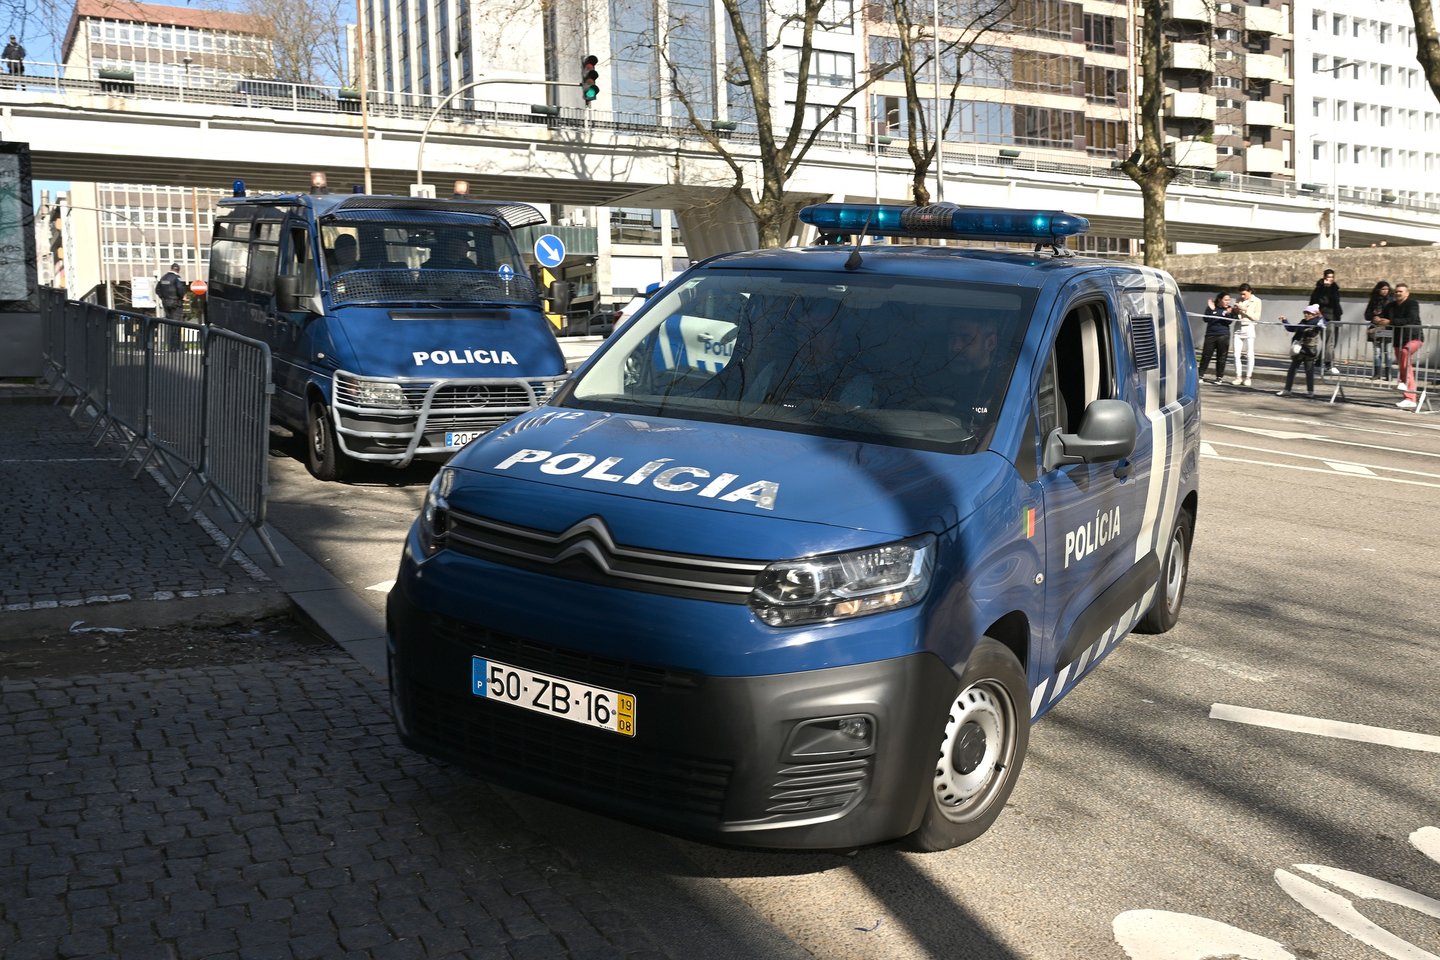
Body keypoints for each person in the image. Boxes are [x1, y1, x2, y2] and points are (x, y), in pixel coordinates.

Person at [1383, 282, 1424, 410]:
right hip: (1397, 340)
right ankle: (1409, 398)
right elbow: (1381, 317)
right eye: (1396, 291)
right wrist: (1377, 319)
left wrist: (1390, 321)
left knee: (1406, 353)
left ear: (1407, 293)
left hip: (1414, 338)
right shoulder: (1391, 306)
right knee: (1406, 367)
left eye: (1401, 291)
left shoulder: (1412, 304)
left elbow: (1410, 319)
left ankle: (1402, 383)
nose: (1398, 293)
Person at [1276, 304, 1325, 398]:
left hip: (1309, 350)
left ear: (1314, 314)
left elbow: (1324, 324)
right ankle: (1287, 390)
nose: (1306, 315)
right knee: (1293, 370)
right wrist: (1284, 320)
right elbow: (1292, 328)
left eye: (1308, 313)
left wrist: (1320, 317)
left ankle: (1310, 392)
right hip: (1300, 349)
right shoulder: (1304, 322)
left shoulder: (1317, 322)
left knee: (1309, 371)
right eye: (1305, 313)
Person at [1198, 290, 1238, 384]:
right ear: (1220, 299)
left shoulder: (1229, 309)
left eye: (1229, 300)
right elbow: (1206, 319)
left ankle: (1219, 377)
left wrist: (1227, 314)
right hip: (1211, 335)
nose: (1228, 302)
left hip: (1223, 335)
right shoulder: (1212, 307)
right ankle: (1200, 375)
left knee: (1221, 357)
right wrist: (1212, 310)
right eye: (1226, 300)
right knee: (1206, 356)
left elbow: (1229, 321)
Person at [1309, 269, 1343, 374]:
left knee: (1331, 341)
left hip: (1334, 316)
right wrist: (1325, 288)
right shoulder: (1319, 289)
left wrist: (1339, 313)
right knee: (1330, 342)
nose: (1330, 279)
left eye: (1332, 277)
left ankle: (1319, 362)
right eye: (1328, 277)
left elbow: (1336, 303)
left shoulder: (1335, 288)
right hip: (1325, 316)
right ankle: (1329, 364)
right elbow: (1320, 301)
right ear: (1324, 278)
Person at [1363, 280, 1395, 382]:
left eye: (1387, 289)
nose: (1385, 291)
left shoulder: (1392, 301)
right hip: (1375, 328)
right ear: (1379, 290)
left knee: (1388, 351)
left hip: (1387, 328)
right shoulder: (1374, 300)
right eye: (1383, 289)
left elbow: (1393, 315)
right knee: (1377, 352)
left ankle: (1388, 373)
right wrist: (1373, 316)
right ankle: (1377, 373)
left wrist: (1384, 319)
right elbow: (1366, 315)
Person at [156, 262, 186, 350]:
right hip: (176, 303)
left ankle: (170, 346)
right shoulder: (177, 278)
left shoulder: (163, 278)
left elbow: (157, 290)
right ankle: (175, 346)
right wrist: (182, 296)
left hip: (166, 303)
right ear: (178, 270)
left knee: (169, 323)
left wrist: (163, 298)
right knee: (176, 324)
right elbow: (180, 289)